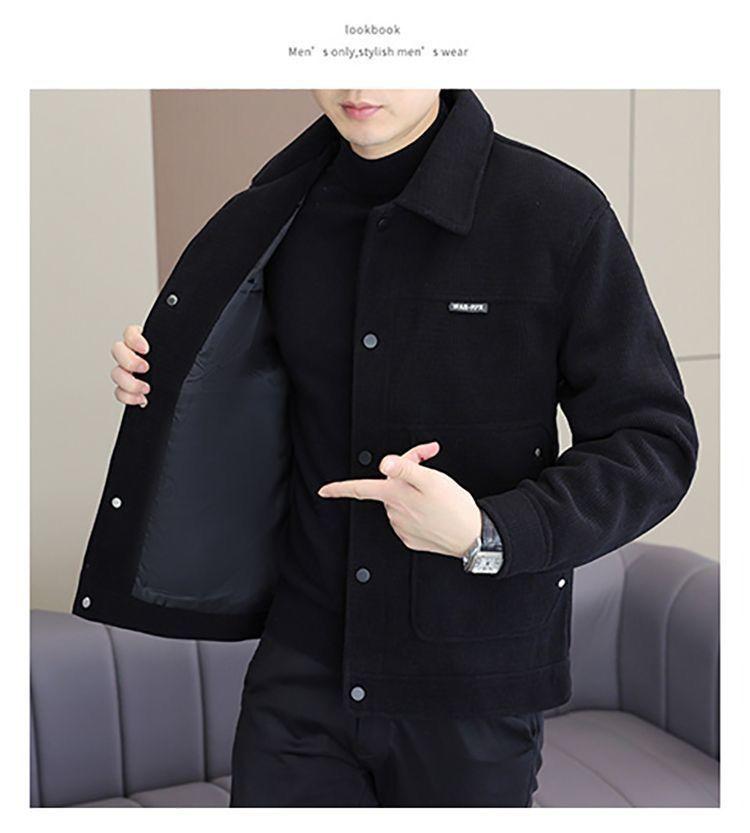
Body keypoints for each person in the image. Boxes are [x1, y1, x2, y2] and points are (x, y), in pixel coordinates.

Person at [97, 89, 698, 807]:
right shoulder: (273, 210)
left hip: (472, 685)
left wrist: (488, 531)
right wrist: (164, 378)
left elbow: (653, 442)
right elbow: (254, 390)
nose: (359, 83)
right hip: (299, 672)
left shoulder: (554, 212)